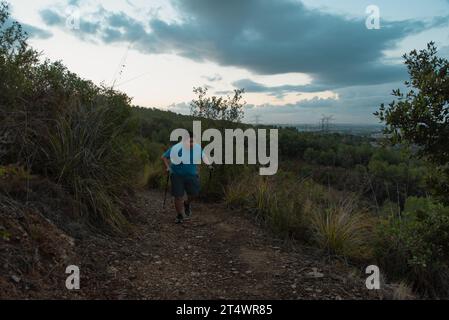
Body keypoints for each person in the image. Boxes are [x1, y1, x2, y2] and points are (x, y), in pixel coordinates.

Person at [161, 130, 212, 224]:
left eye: (193, 141)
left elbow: (203, 156)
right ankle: (179, 215)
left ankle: (187, 203)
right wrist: (168, 167)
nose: (192, 144)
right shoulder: (175, 148)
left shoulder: (197, 148)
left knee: (194, 194)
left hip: (192, 175)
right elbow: (164, 157)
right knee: (178, 196)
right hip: (176, 175)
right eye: (190, 141)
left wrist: (208, 164)